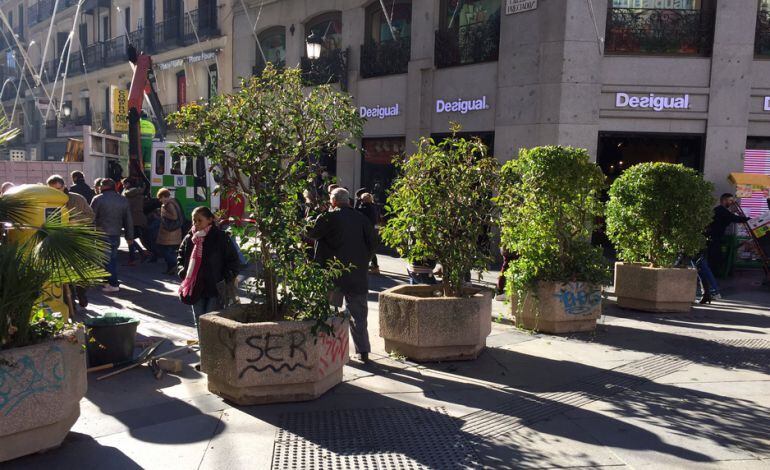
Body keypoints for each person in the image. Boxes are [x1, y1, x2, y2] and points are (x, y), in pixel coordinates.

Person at [308, 187, 376, 363]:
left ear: (333, 201)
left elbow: (311, 232)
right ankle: (363, 351)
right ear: (348, 201)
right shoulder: (361, 219)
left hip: (333, 274)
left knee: (328, 313)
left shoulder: (329, 217)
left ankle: (330, 350)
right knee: (359, 316)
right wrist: (363, 261)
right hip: (357, 274)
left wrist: (313, 215)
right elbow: (373, 244)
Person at [177, 206, 240, 334]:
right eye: (194, 220)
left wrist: (225, 277)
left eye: (199, 220)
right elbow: (180, 257)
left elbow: (233, 261)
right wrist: (183, 272)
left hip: (214, 288)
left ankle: (211, 352)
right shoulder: (190, 238)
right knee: (199, 322)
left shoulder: (220, 238)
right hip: (195, 288)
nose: (196, 224)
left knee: (211, 323)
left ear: (210, 220)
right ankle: (204, 352)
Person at [48, 174, 95, 307]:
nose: (56, 192)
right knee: (63, 273)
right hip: (57, 241)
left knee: (80, 271)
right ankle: (70, 301)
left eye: (58, 189)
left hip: (77, 239)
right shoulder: (47, 201)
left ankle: (81, 293)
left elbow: (90, 215)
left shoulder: (77, 198)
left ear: (64, 186)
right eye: (52, 190)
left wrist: (75, 221)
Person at [90, 178, 134, 293]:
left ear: (102, 187)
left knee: (106, 260)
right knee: (112, 259)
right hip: (116, 234)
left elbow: (91, 218)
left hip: (101, 234)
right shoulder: (123, 200)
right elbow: (128, 220)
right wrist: (130, 237)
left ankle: (113, 283)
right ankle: (108, 281)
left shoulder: (98, 199)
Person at [706, 193, 750, 297]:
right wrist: (749, 219)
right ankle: (712, 284)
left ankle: (712, 283)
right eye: (730, 201)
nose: (731, 203)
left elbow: (731, 217)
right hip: (714, 238)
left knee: (715, 258)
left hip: (715, 238)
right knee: (715, 259)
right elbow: (734, 218)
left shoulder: (720, 210)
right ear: (724, 200)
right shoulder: (721, 210)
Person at [122, 178, 149, 265]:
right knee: (131, 238)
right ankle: (139, 255)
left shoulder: (127, 194)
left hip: (131, 218)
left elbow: (125, 207)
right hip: (139, 218)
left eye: (124, 184)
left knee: (129, 238)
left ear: (128, 184)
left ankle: (135, 257)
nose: (123, 186)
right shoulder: (139, 192)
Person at [156, 188, 183, 275]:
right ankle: (170, 269)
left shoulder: (169, 204)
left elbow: (174, 216)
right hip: (174, 231)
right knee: (169, 250)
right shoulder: (173, 202)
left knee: (166, 250)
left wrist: (163, 213)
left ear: (164, 196)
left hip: (169, 231)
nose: (160, 200)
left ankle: (174, 265)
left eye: (161, 198)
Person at [356, 192, 380, 274]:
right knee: (371, 249)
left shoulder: (365, 208)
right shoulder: (374, 207)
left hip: (366, 231)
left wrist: (357, 202)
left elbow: (355, 211)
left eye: (362, 199)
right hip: (373, 230)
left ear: (364, 200)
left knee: (365, 249)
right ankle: (375, 267)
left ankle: (365, 267)